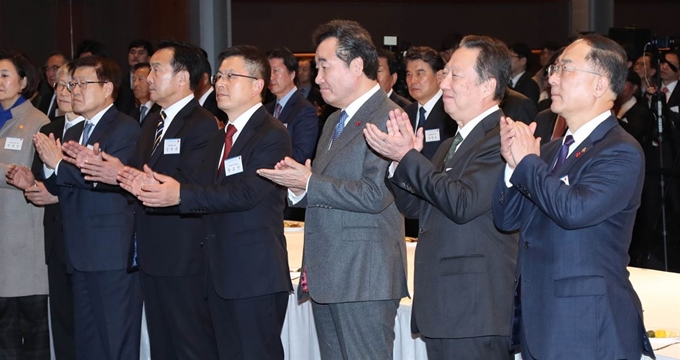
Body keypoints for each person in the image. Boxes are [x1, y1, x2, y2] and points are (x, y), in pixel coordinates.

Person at [118, 45, 292, 360]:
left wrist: (179, 194)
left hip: (253, 275)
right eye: (219, 75)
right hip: (215, 273)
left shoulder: (272, 134)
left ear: (257, 86)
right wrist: (148, 185)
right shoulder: (220, 136)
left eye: (231, 76)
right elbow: (199, 188)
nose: (219, 83)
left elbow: (245, 193)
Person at [492, 34, 655, 359]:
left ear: (600, 84)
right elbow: (506, 218)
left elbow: (574, 210)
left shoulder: (620, 150)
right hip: (539, 320)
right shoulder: (549, 150)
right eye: (554, 69)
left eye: (565, 69)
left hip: (587, 324)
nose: (552, 77)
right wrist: (513, 165)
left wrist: (526, 162)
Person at [258, 20, 408, 360]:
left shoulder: (389, 116)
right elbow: (327, 190)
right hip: (330, 273)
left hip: (363, 277)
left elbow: (375, 194)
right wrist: (299, 186)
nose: (318, 78)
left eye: (325, 67)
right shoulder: (334, 120)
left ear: (357, 65)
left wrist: (309, 182)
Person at [62, 40, 221, 360]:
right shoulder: (153, 122)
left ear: (181, 78)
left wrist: (123, 174)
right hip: (150, 252)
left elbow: (191, 189)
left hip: (182, 254)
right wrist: (112, 172)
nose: (148, 77)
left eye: (158, 69)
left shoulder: (201, 123)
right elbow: (133, 174)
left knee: (189, 344)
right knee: (162, 345)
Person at [363, 34, 518, 360]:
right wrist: (397, 163)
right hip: (446, 303)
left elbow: (462, 203)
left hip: (474, 307)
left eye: (454, 75)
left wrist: (410, 158)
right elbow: (417, 207)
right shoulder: (452, 143)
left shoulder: (500, 136)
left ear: (487, 85)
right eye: (445, 73)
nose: (444, 82)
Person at [35, 55, 142, 360]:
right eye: (71, 84)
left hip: (111, 254)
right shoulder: (74, 130)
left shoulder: (124, 128)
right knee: (88, 343)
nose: (75, 91)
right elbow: (59, 187)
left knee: (116, 341)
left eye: (83, 83)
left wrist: (58, 163)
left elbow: (105, 180)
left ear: (107, 88)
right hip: (79, 253)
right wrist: (50, 164)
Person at [1, 49, 50, 360]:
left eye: (4, 75)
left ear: (23, 82)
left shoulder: (37, 122)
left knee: (31, 340)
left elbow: (21, 172)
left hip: (23, 249)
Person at [265, 47, 319, 164]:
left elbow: (301, 154)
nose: (270, 77)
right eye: (268, 71)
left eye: (276, 71)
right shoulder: (265, 110)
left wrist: (264, 158)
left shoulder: (305, 110)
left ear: (292, 74)